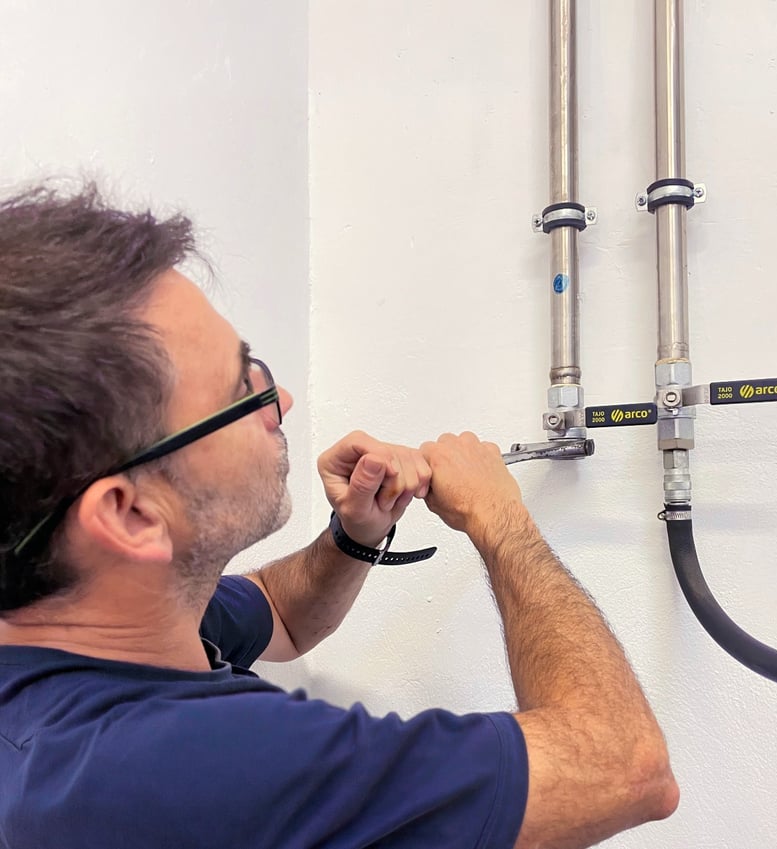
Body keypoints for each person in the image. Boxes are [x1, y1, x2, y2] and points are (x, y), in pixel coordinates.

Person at [0, 184, 678, 849]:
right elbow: (625, 766)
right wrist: (500, 520)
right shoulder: (194, 764)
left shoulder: (84, 622)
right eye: (240, 390)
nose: (280, 401)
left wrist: (356, 534)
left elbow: (279, 613)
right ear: (130, 514)